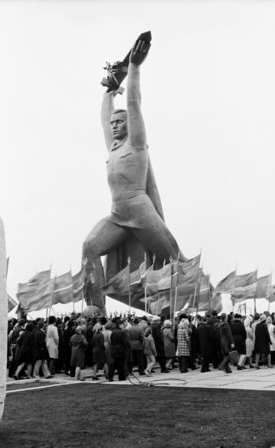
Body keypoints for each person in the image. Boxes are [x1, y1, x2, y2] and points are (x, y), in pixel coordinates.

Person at [82, 35, 183, 310]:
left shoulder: (136, 144)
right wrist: (110, 90)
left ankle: (199, 303)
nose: (114, 125)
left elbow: (135, 105)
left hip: (140, 209)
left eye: (119, 121)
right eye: (113, 122)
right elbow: (104, 115)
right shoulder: (113, 148)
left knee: (174, 258)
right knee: (90, 246)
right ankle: (95, 308)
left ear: (129, 126)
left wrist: (135, 68)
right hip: (118, 214)